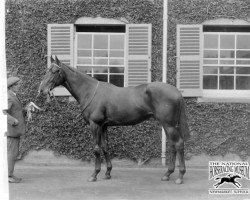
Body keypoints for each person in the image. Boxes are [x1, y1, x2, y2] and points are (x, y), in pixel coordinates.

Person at [5, 76, 38, 183]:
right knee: (11, 153)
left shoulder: (13, 96)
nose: (19, 86)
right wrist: (13, 121)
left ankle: (10, 174)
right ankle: (8, 176)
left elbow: (16, 111)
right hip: (11, 130)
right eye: (17, 85)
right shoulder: (9, 97)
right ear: (12, 86)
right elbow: (3, 112)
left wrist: (26, 109)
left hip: (14, 131)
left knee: (13, 153)